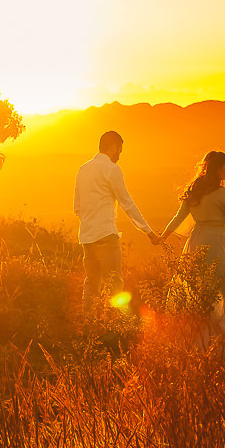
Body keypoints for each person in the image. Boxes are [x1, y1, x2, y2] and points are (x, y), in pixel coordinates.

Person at [159, 151, 225, 361]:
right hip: (213, 246)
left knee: (197, 297)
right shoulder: (221, 193)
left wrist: (163, 236)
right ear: (218, 169)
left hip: (194, 245)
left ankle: (198, 347)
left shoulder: (195, 191)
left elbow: (178, 217)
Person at [74, 131, 160, 316]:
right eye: (119, 151)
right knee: (115, 285)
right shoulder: (112, 170)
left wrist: (90, 224)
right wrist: (148, 231)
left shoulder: (83, 169)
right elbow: (127, 203)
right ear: (113, 148)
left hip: (87, 238)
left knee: (91, 284)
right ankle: (118, 326)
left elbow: (77, 207)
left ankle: (88, 325)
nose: (119, 156)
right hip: (106, 235)